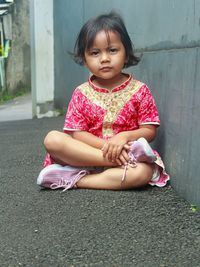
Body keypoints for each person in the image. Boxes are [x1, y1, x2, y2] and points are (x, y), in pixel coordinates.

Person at [37, 12, 169, 191]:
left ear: (126, 53)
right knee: (52, 140)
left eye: (112, 50)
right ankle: (114, 161)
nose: (105, 58)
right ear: (84, 59)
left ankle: (73, 179)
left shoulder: (140, 90)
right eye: (95, 53)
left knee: (142, 174)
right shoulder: (81, 93)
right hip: (89, 156)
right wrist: (110, 149)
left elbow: (149, 130)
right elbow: (77, 134)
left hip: (126, 162)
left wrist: (123, 137)